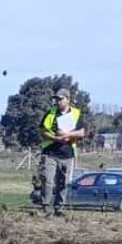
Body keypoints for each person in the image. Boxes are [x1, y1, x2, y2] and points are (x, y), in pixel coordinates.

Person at [34, 88, 85, 216]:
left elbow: (81, 132)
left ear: (68, 100)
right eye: (56, 99)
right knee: (48, 180)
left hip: (67, 154)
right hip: (50, 152)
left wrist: (67, 134)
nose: (57, 101)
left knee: (64, 182)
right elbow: (42, 131)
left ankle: (59, 209)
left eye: (60, 99)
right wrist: (56, 138)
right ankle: (46, 207)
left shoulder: (76, 113)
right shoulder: (51, 113)